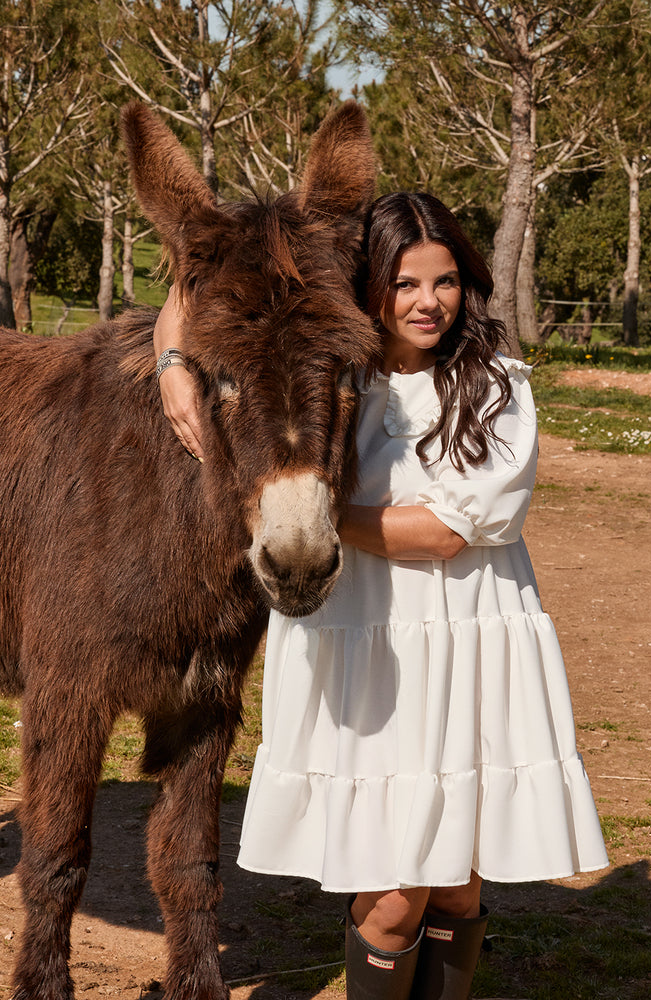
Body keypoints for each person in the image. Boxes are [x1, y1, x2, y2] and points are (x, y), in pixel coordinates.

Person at [153, 192, 608, 1000]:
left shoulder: (497, 386)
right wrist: (172, 374)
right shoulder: (334, 377)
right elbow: (188, 296)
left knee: (461, 885)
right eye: (404, 284)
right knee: (398, 896)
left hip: (471, 646)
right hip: (371, 651)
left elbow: (447, 533)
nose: (428, 302)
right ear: (371, 290)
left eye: (445, 281)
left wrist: (316, 514)